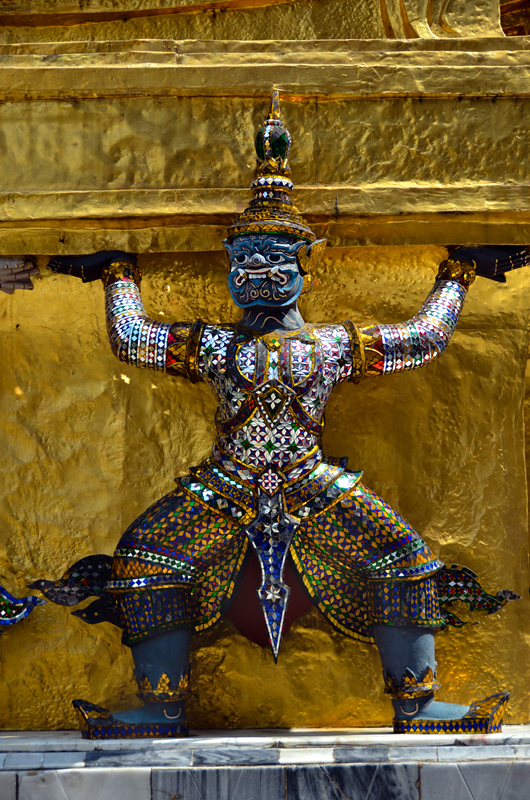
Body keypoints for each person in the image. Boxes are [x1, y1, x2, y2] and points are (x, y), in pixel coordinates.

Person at [42, 92, 522, 739]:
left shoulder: (332, 345)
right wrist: (117, 274)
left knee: (404, 556)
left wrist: (458, 274)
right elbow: (132, 339)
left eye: (272, 259)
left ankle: (416, 703)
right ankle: (160, 706)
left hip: (313, 483)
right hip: (225, 484)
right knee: (145, 558)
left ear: (306, 268)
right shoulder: (215, 345)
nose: (255, 271)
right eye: (243, 261)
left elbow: (422, 339)